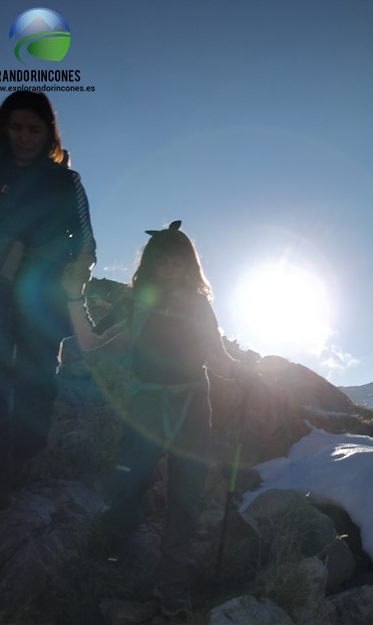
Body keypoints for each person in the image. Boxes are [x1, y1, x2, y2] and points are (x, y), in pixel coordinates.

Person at [62, 220, 245, 619]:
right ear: (150, 264)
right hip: (157, 404)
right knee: (133, 484)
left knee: (184, 497)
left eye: (177, 262)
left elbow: (218, 359)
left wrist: (249, 372)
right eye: (163, 261)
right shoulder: (137, 303)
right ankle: (118, 557)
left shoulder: (198, 307)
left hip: (192, 403)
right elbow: (93, 344)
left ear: (189, 266)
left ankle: (170, 589)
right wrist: (74, 298)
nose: (170, 269)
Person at [0, 91, 95, 517]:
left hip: (42, 296)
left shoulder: (66, 182)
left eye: (34, 128)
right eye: (17, 127)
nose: (25, 136)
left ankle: (21, 458)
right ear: (2, 130)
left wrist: (74, 284)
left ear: (48, 131)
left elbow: (84, 243)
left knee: (36, 382)